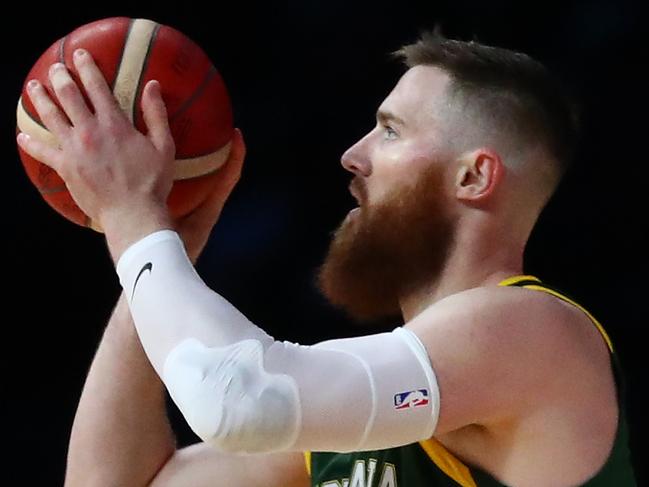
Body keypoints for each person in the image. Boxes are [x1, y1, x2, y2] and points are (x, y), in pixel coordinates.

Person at [18, 32, 637, 486]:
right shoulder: (365, 417)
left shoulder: (532, 331)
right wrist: (159, 250)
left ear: (474, 176)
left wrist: (135, 222)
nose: (352, 154)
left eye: (390, 130)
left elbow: (242, 398)